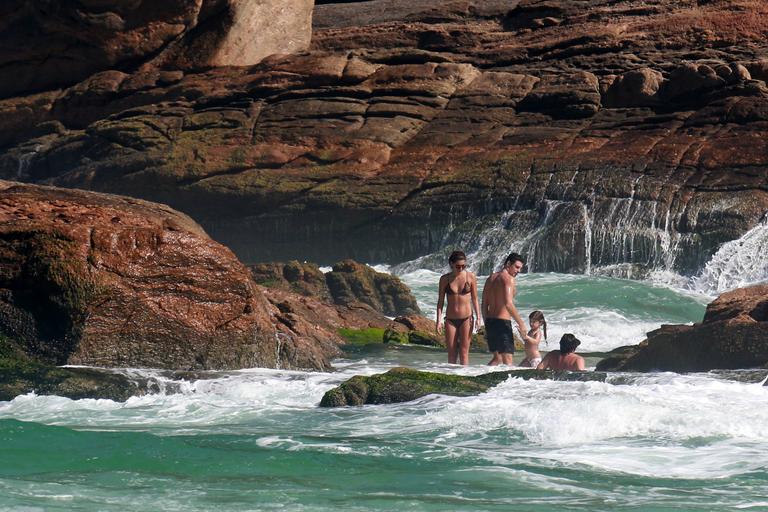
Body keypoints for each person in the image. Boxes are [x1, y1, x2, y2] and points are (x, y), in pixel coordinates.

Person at [436, 251, 482, 365]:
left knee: (464, 352)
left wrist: (478, 318)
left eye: (463, 266)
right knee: (451, 352)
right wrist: (438, 321)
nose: (461, 269)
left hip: (467, 318)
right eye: (458, 266)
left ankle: (464, 377)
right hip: (450, 319)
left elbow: (475, 299)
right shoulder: (444, 279)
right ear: (451, 264)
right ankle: (451, 377)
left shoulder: (470, 277)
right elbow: (440, 302)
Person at [481, 253, 528, 366]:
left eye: (520, 268)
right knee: (508, 361)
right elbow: (508, 304)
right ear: (508, 264)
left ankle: (481, 378)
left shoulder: (491, 278)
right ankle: (508, 384)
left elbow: (484, 304)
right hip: (502, 323)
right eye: (517, 267)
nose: (519, 271)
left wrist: (486, 323)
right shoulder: (508, 279)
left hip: (490, 321)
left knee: (497, 359)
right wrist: (521, 324)